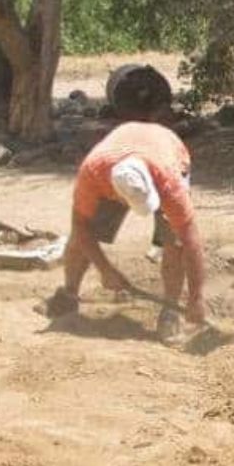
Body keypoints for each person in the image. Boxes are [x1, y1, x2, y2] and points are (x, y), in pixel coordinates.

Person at [45, 119, 208, 344]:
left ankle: (170, 312)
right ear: (117, 195)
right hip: (120, 151)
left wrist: (196, 298)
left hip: (166, 148)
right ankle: (69, 294)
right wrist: (105, 270)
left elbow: (191, 241)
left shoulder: (169, 181)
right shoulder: (92, 173)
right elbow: (80, 228)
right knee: (81, 236)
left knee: (175, 242)